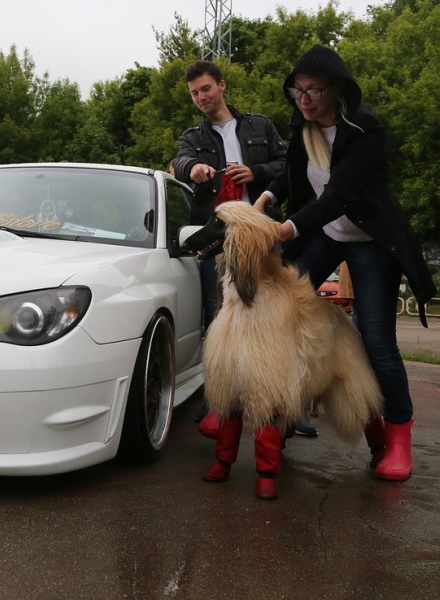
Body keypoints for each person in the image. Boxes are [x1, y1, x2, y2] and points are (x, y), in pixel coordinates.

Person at [253, 45, 436, 482]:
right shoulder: (303, 126)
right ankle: (286, 411)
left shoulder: (366, 130)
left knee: (377, 342)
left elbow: (338, 197)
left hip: (371, 241)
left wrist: (283, 230)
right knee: (279, 313)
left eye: (314, 89)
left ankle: (396, 438)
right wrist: (267, 197)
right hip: (328, 235)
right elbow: (294, 173)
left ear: (338, 89)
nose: (305, 99)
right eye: (298, 90)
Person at [172, 60, 291, 434]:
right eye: (194, 93)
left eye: (206, 89)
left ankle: (287, 405)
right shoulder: (193, 136)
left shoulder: (260, 126)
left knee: (273, 316)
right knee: (218, 319)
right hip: (218, 238)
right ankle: (218, 403)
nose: (201, 97)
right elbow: (181, 163)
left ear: (222, 86)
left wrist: (256, 173)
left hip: (261, 234)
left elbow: (289, 164)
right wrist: (193, 169)